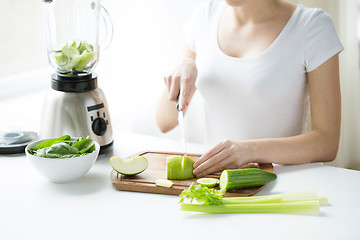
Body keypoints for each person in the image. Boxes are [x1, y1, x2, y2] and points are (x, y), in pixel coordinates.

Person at [156, 0, 343, 178]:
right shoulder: (205, 16)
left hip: (283, 182)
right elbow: (165, 121)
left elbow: (326, 143)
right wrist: (185, 64)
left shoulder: (312, 25)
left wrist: (249, 151)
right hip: (215, 182)